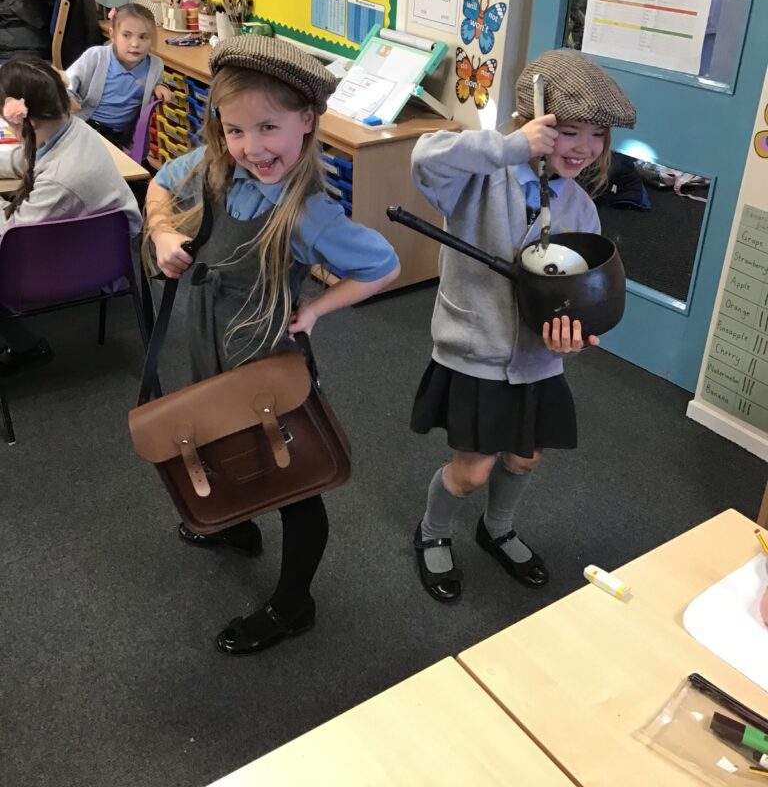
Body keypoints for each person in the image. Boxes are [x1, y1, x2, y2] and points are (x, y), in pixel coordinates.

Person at [144, 35, 400, 655]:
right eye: (235, 130)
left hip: (262, 361)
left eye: (268, 127)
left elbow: (384, 265)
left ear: (306, 121)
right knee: (217, 443)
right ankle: (235, 528)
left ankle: (293, 605)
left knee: (294, 479)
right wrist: (161, 235)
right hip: (210, 342)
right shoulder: (214, 167)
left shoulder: (307, 212)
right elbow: (160, 185)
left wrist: (314, 309)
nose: (252, 147)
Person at [409, 49, 637, 602]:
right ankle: (432, 529)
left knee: (524, 456)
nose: (584, 147)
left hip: (538, 360)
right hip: (477, 352)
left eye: (598, 135)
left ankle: (498, 528)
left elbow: (576, 296)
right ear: (532, 124)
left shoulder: (580, 208)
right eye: (569, 131)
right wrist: (512, 147)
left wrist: (574, 337)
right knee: (472, 472)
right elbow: (425, 157)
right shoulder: (478, 180)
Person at [0, 57, 142, 371]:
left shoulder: (61, 179)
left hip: (80, 263)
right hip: (102, 246)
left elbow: (10, 235)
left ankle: (26, 348)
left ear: (27, 122)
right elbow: (29, 158)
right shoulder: (69, 128)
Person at [65, 2, 172, 148]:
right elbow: (65, 84)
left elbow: (155, 81)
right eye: (126, 35)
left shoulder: (155, 65)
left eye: (143, 37)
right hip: (85, 126)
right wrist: (68, 99)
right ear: (113, 35)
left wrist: (160, 86)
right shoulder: (96, 56)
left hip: (121, 137)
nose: (135, 44)